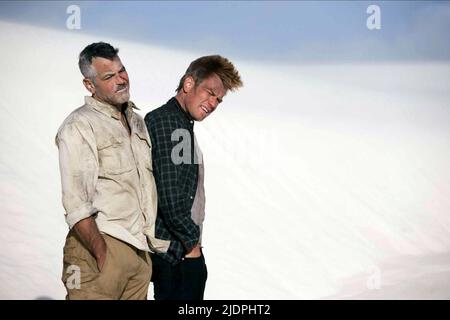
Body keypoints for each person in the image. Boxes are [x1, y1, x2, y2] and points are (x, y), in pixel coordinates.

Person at [55, 42, 167, 299]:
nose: (121, 80)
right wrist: (101, 252)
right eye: (109, 76)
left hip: (139, 254)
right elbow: (75, 201)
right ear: (89, 85)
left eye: (122, 71)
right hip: (101, 247)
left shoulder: (137, 121)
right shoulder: (79, 125)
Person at [144, 55, 243, 300]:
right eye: (210, 93)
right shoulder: (173, 124)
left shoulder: (180, 124)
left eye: (218, 100)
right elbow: (171, 194)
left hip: (177, 250)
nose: (213, 103)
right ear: (189, 84)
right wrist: (192, 246)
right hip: (174, 254)